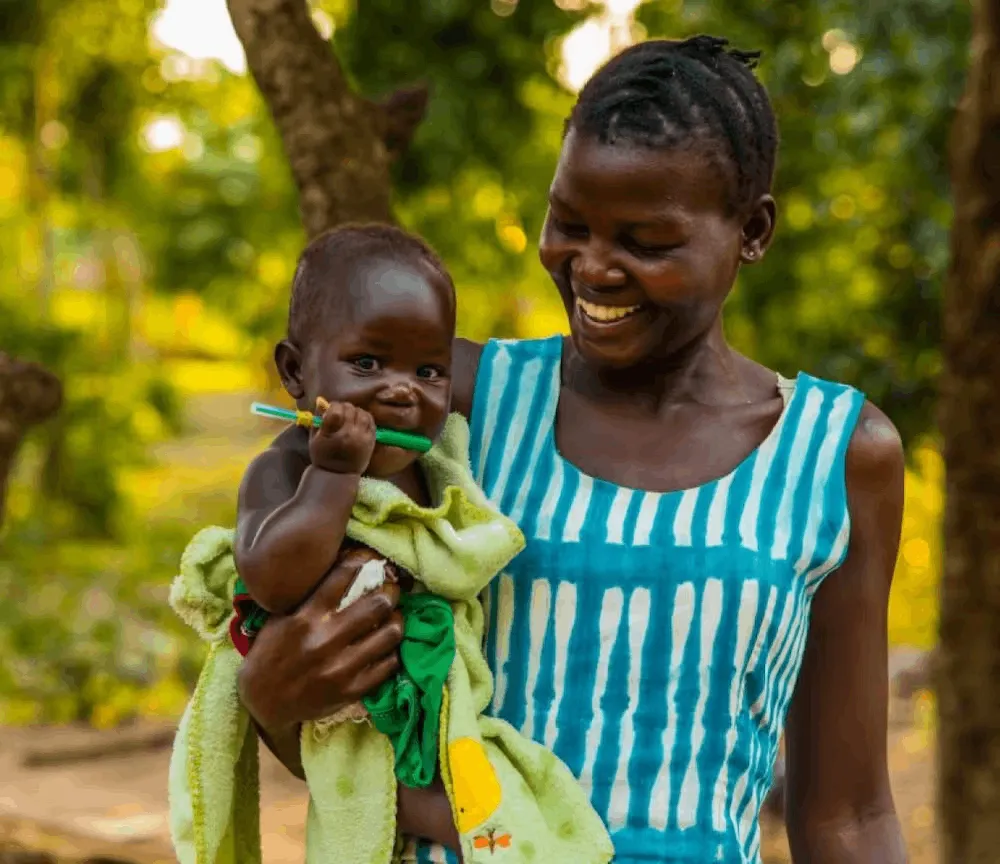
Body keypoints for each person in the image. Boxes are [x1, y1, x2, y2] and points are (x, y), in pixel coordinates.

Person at [233, 35, 907, 864]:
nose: (592, 269)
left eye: (646, 242)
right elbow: (332, 700)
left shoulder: (837, 456)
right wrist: (266, 694)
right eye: (569, 224)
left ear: (753, 231)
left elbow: (849, 815)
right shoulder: (454, 402)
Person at [168, 223, 614, 864]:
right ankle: (470, 829)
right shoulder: (286, 466)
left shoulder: (432, 463)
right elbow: (272, 580)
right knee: (436, 799)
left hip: (423, 683)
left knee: (481, 773)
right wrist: (333, 476)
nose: (402, 389)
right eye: (367, 364)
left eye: (429, 371)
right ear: (295, 371)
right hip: (340, 699)